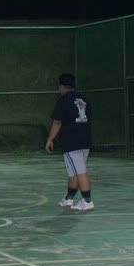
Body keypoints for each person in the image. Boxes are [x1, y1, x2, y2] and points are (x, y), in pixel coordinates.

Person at [46, 73, 93, 211]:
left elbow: (57, 121)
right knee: (73, 172)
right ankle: (69, 199)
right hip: (85, 141)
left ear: (61, 86)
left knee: (80, 172)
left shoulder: (64, 100)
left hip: (72, 143)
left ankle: (87, 200)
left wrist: (50, 139)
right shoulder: (84, 99)